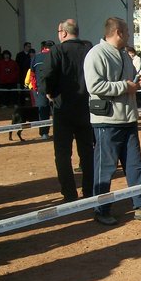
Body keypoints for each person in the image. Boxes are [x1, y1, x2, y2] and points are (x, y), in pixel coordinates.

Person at [84, 17, 141, 225]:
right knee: (105, 168)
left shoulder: (124, 55)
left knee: (135, 166)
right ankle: (101, 209)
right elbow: (94, 86)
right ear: (118, 32)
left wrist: (139, 84)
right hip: (107, 121)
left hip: (128, 119)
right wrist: (125, 87)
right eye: (128, 31)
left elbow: (130, 82)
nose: (130, 35)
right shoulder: (95, 54)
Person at [43, 19, 94, 203]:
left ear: (63, 33)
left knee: (63, 154)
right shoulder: (89, 48)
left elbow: (47, 75)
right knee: (87, 151)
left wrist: (50, 93)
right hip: (86, 107)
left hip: (63, 108)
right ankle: (89, 191)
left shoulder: (57, 50)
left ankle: (70, 193)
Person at [32, 40, 55, 140]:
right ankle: (58, 132)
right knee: (56, 111)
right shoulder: (55, 55)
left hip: (41, 88)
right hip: (54, 88)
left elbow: (32, 73)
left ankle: (44, 133)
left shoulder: (36, 57)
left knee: (43, 111)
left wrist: (35, 88)